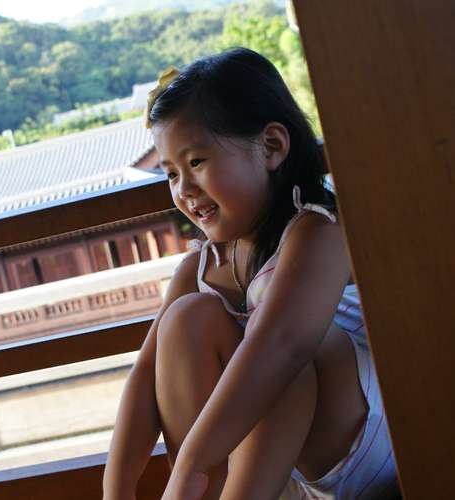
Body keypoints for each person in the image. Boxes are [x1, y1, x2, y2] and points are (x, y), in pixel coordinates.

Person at [103, 47, 400, 500]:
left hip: (362, 455)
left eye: (196, 162)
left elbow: (282, 346)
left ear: (271, 146)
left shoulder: (318, 230)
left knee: (272, 353)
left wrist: (190, 467)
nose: (185, 190)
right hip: (281, 479)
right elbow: (145, 377)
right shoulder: (201, 267)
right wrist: (116, 490)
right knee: (186, 320)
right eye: (171, 174)